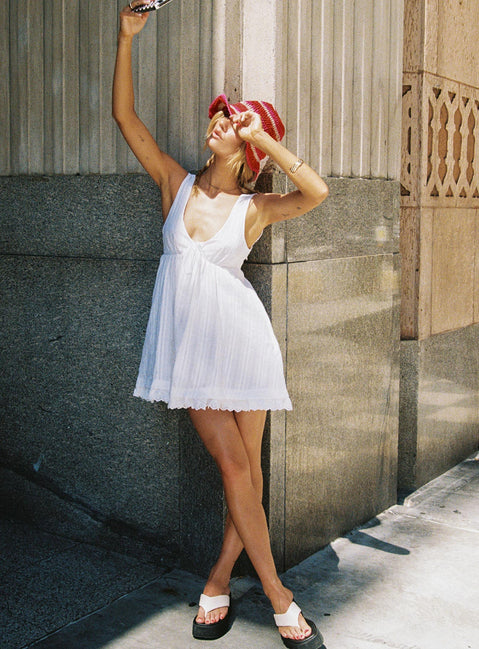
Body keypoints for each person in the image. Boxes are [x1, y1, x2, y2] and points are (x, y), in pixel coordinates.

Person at [113, 3, 329, 647]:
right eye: (223, 116)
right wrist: (126, 38)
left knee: (247, 476)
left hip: (244, 344)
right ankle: (279, 595)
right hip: (193, 351)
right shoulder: (174, 183)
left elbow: (317, 193)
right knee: (235, 468)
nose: (220, 121)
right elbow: (125, 119)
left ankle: (218, 582)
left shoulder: (253, 207)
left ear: (248, 152)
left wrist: (266, 137)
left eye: (233, 123)